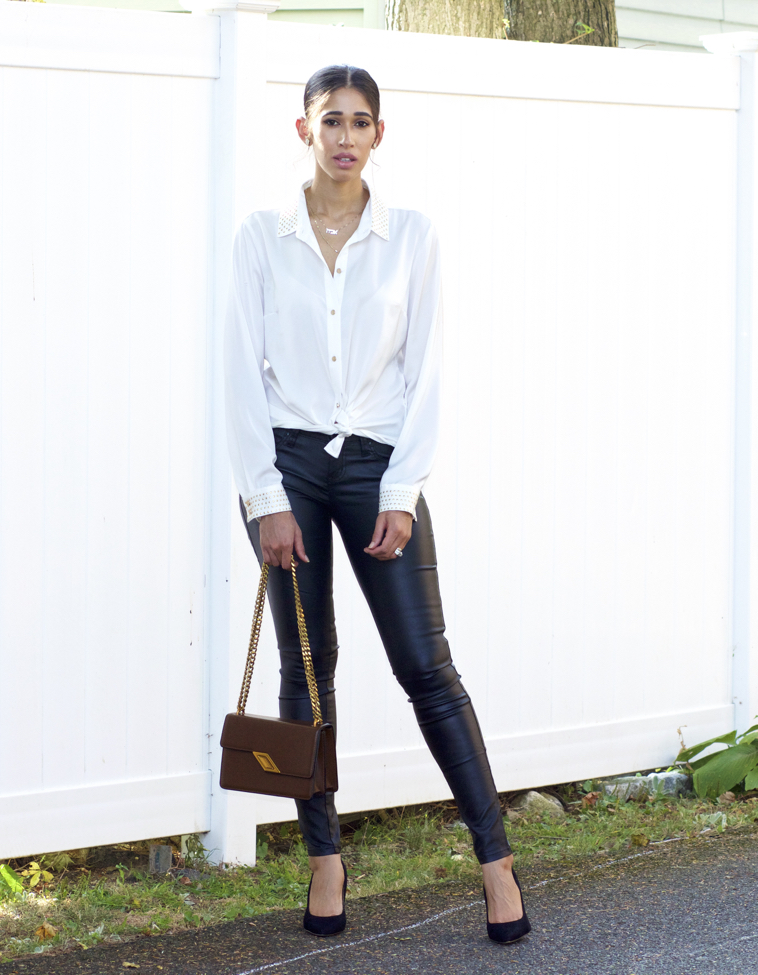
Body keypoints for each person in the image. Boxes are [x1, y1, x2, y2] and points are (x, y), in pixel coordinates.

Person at [224, 64, 531, 945]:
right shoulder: (259, 237)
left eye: (361, 121)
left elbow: (423, 370)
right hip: (285, 467)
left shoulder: (411, 236)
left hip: (375, 468)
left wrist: (401, 487)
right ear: (303, 131)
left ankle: (495, 861)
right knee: (305, 671)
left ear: (379, 135)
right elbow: (240, 375)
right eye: (331, 121)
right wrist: (265, 496)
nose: (346, 136)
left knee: (426, 670)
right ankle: (325, 859)